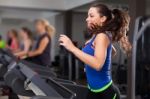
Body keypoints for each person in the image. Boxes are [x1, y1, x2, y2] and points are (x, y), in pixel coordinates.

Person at [59, 3, 132, 99]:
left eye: (91, 16)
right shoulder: (97, 35)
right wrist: (90, 65)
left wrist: (72, 47)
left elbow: (98, 65)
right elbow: (112, 51)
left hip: (106, 92)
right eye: (88, 16)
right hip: (93, 90)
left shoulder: (102, 36)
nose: (87, 19)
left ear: (103, 18)